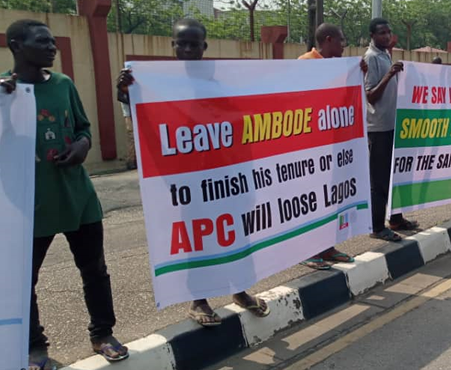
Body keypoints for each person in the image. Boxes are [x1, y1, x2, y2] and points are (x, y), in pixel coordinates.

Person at [116, 19, 270, 327]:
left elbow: (240, 127)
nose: (187, 49)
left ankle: (239, 290)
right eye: (181, 44)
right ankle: (199, 301)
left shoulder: (219, 84)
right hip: (187, 180)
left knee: (235, 234)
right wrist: (126, 95)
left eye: (193, 44)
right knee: (197, 238)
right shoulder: (154, 85)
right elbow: (145, 124)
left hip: (227, 178)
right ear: (172, 46)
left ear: (204, 47)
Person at [2, 19, 130, 369]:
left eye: (53, 42)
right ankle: (34, 347)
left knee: (95, 270)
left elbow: (84, 128)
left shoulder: (63, 84)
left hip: (78, 198)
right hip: (31, 205)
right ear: (16, 45)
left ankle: (102, 333)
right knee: (23, 280)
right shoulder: (3, 92)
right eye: (42, 42)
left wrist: (80, 147)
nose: (51, 47)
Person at [296, 23, 367, 268]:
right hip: (312, 146)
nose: (344, 46)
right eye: (341, 41)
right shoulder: (305, 63)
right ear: (328, 40)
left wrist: (359, 75)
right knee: (313, 197)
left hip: (334, 143)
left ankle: (327, 247)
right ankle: (307, 250)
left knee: (331, 196)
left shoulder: (339, 66)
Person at [364, 18, 420, 236]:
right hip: (378, 129)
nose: (386, 36)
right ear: (372, 35)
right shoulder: (371, 57)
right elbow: (370, 96)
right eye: (381, 33)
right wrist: (389, 75)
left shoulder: (385, 54)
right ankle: (377, 227)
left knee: (396, 175)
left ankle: (396, 219)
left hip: (392, 125)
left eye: (388, 32)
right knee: (379, 180)